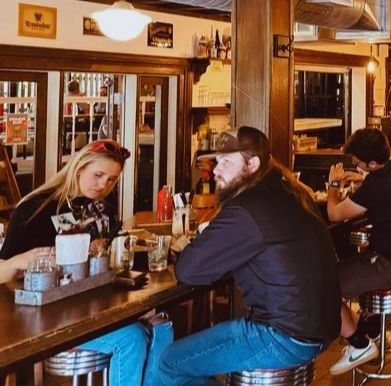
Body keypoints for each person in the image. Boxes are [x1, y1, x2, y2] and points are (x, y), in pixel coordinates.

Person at [156, 126, 340, 385]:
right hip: (320, 328)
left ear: (252, 164)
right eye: (217, 161)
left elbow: (188, 270)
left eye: (226, 162)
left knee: (169, 363)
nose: (216, 169)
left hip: (283, 336)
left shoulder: (249, 206)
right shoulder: (291, 193)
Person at [0, 140, 151, 386]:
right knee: (131, 338)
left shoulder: (100, 210)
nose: (103, 185)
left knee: (158, 324)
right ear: (79, 167)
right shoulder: (35, 209)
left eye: (112, 179)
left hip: (88, 310)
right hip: (41, 318)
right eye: (98, 175)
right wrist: (22, 260)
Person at [326, 127, 391, 375]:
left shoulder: (376, 186)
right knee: (352, 266)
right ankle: (369, 330)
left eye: (357, 161)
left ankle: (360, 344)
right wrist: (362, 179)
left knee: (323, 285)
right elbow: (382, 187)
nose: (353, 163)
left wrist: (332, 184)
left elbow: (334, 213)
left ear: (372, 163)